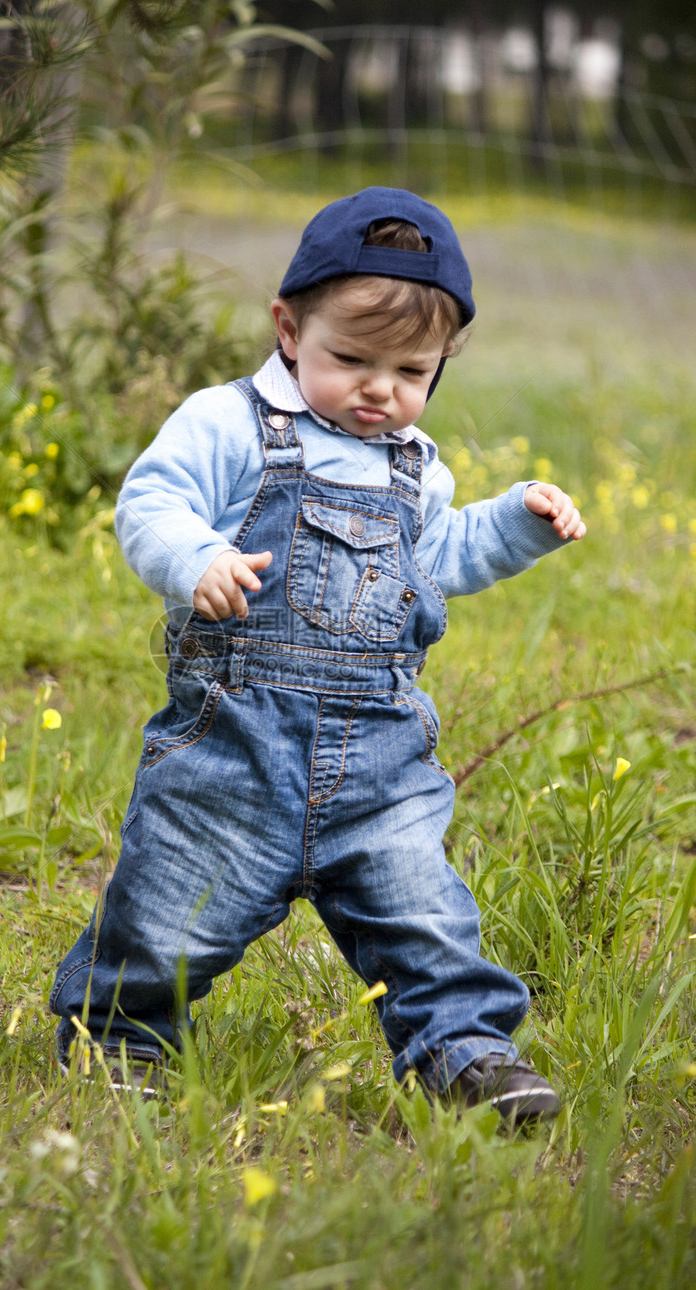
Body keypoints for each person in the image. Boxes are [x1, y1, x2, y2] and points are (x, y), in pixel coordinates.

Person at [50, 187, 586, 1122]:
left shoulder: (417, 467)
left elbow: (439, 561)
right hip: (230, 755)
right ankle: (124, 1039)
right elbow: (150, 503)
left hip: (381, 765)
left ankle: (469, 1052)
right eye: (353, 360)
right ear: (289, 329)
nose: (382, 391)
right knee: (170, 908)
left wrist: (517, 522)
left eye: (412, 371)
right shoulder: (228, 425)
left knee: (426, 914)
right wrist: (198, 558)